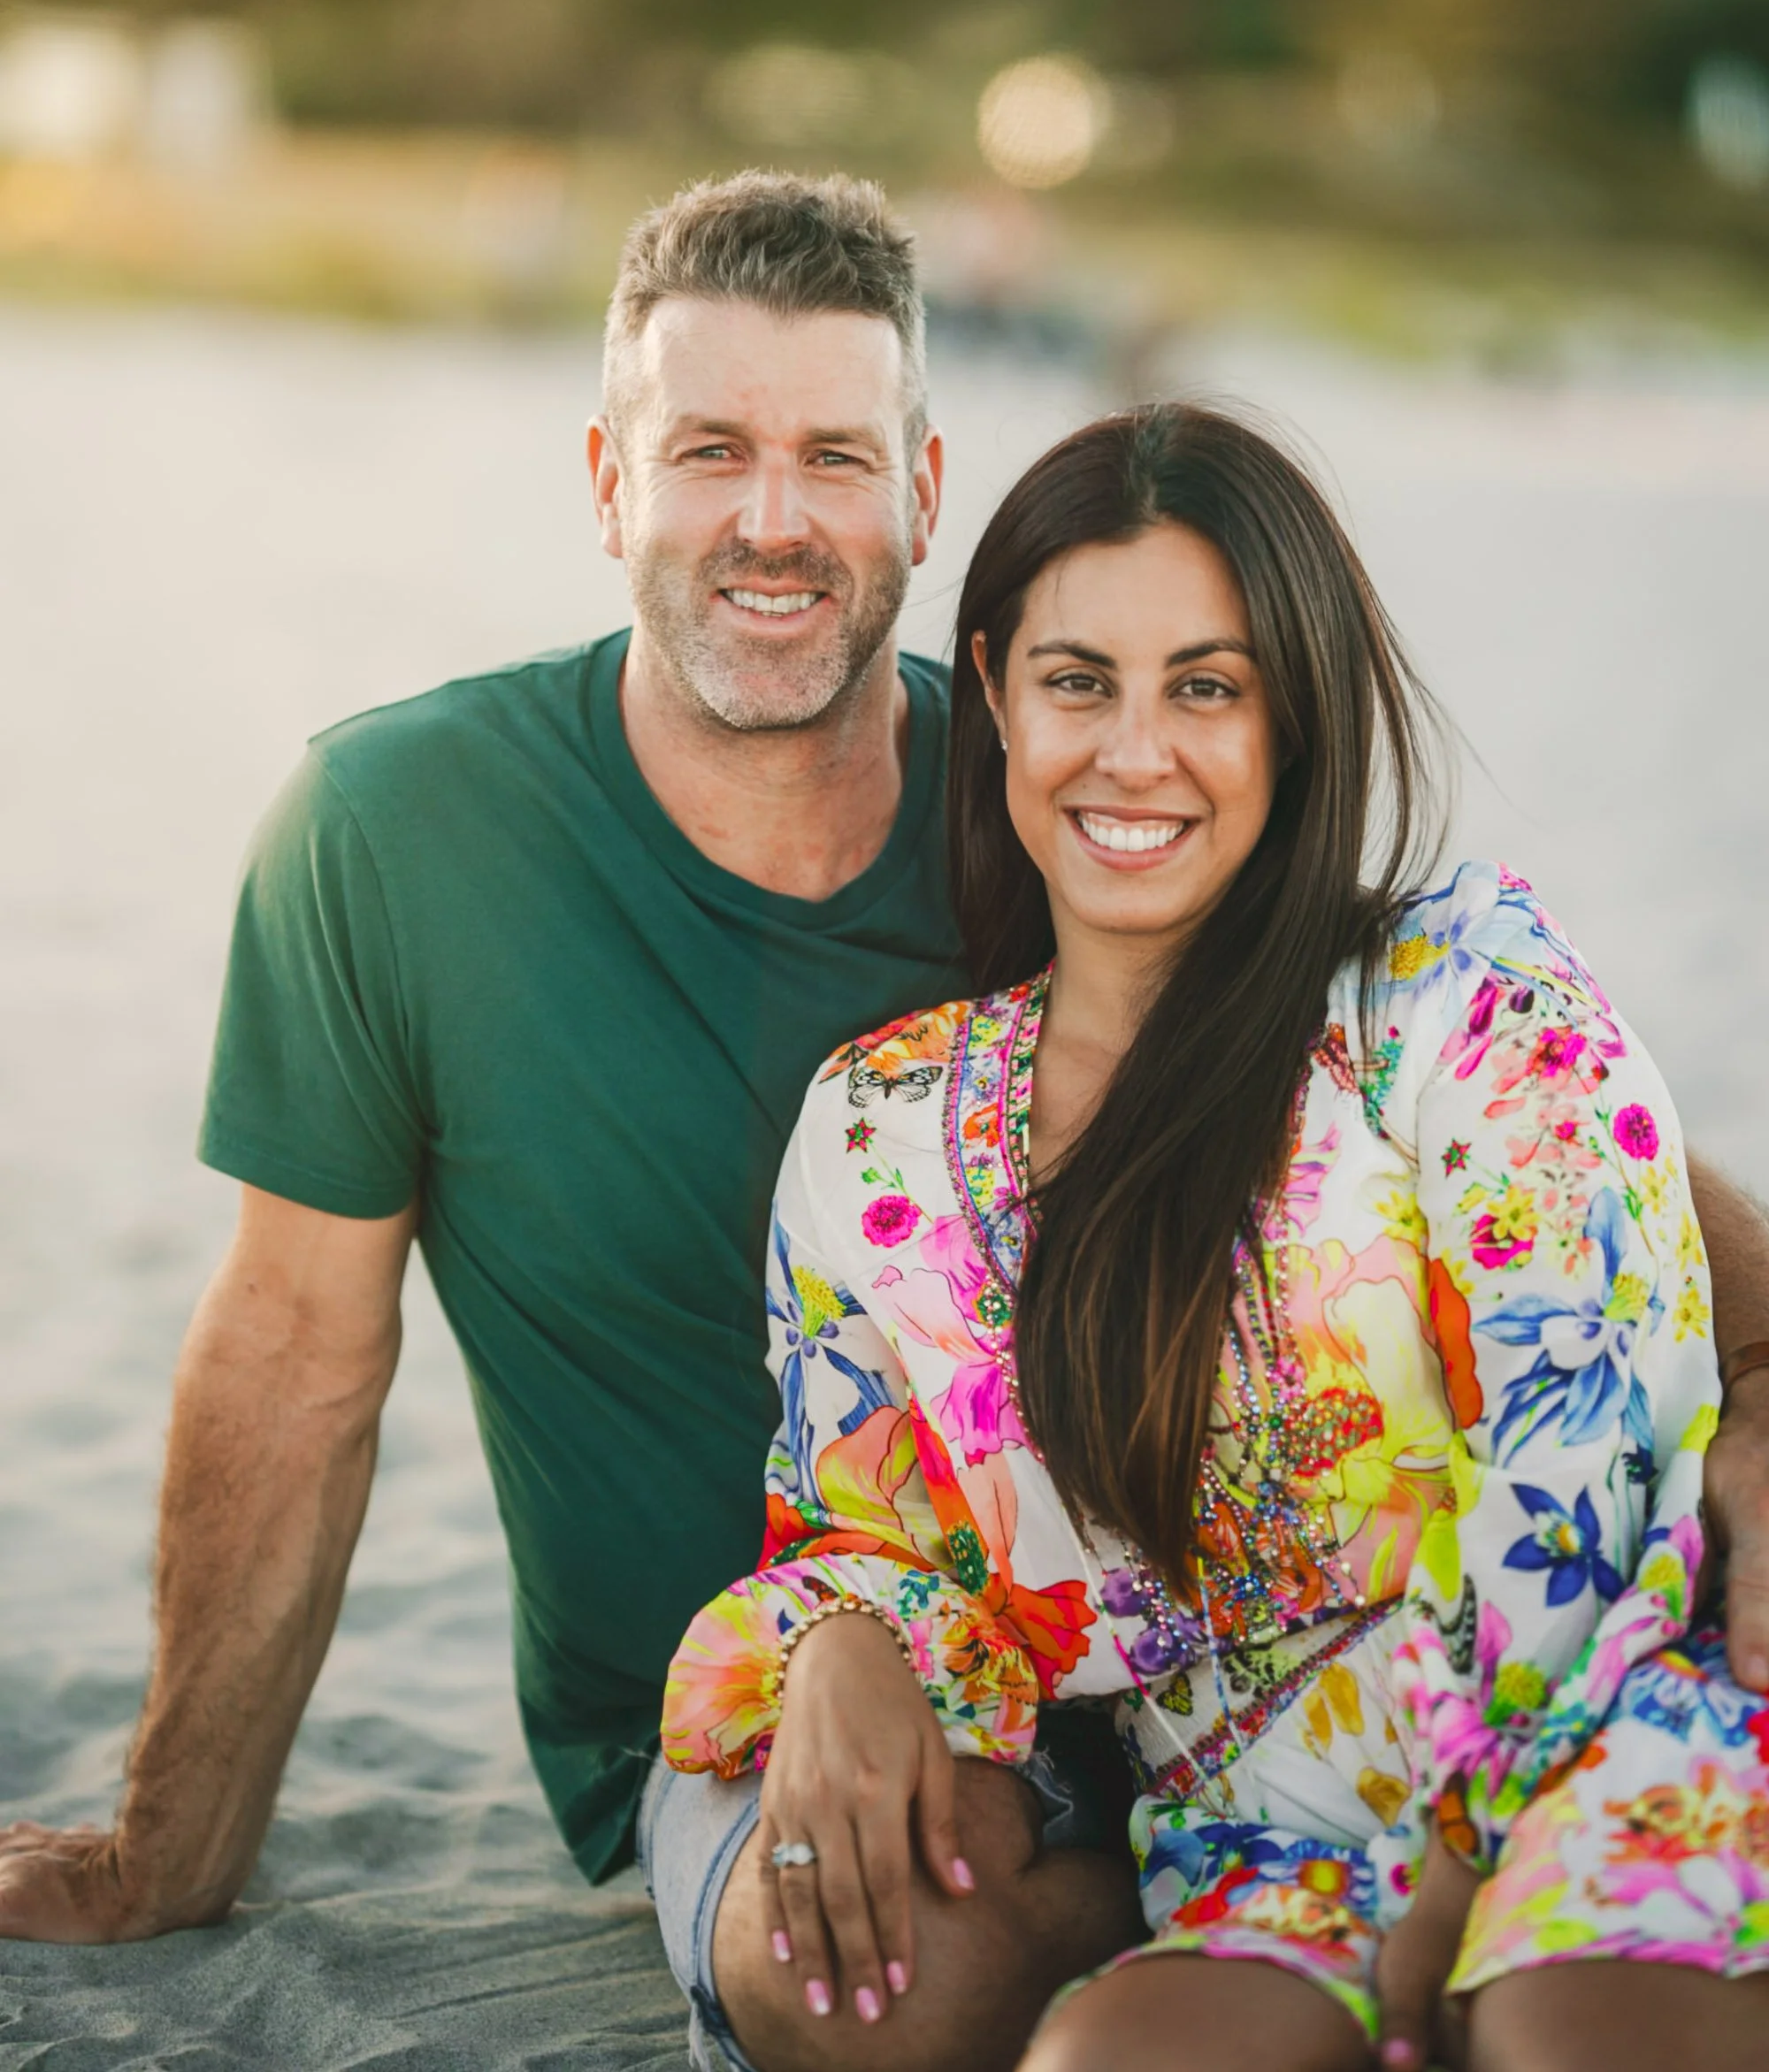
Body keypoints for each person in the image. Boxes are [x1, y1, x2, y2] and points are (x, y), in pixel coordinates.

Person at [0, 181, 1765, 2069]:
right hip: (1004, 1738)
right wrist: (163, 1855)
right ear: (610, 480)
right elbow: (301, 1348)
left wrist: (1767, 1386)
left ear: (923, 497)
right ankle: (1175, 1929)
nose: (773, 520)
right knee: (860, 1981)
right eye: (710, 452)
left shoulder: (1242, 886)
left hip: (1453, 1722)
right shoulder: (482, 885)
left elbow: (1596, 1205)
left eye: (834, 456)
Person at [661, 403, 1769, 2072]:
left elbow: (1598, 1449)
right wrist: (841, 1642)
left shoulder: (1456, 1003)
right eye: (1079, 680)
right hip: (1258, 1841)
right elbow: (874, 1528)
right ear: (996, 695)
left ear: (1293, 720)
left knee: (1559, 2031)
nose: (1134, 751)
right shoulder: (878, 1133)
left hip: (1598, 1727)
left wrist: (1464, 1864)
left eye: (1207, 686)